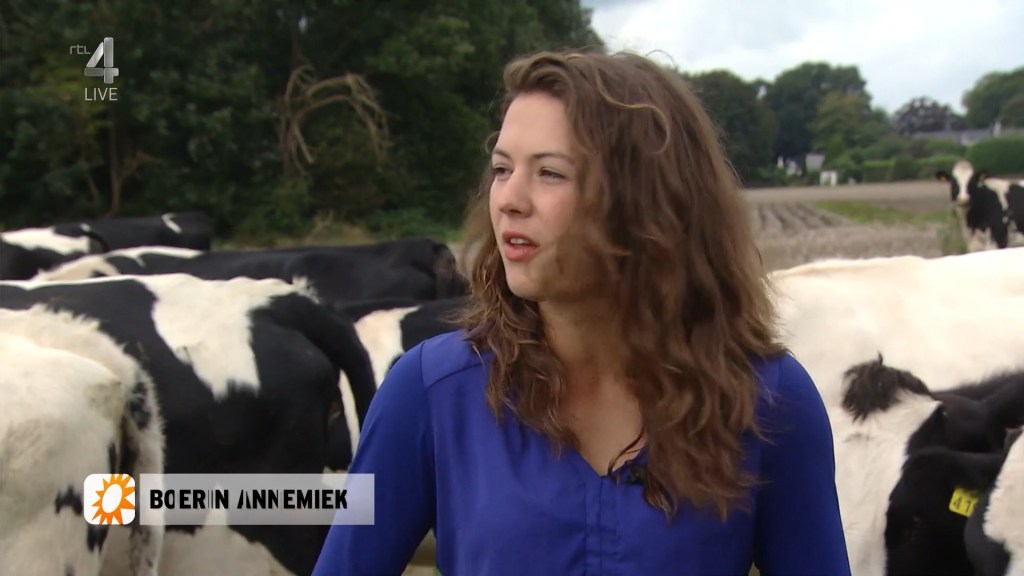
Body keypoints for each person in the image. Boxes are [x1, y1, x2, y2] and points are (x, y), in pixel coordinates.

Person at [313, 49, 851, 576]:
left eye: (550, 173)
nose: (509, 199)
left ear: (646, 203)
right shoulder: (428, 393)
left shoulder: (767, 401)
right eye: (502, 169)